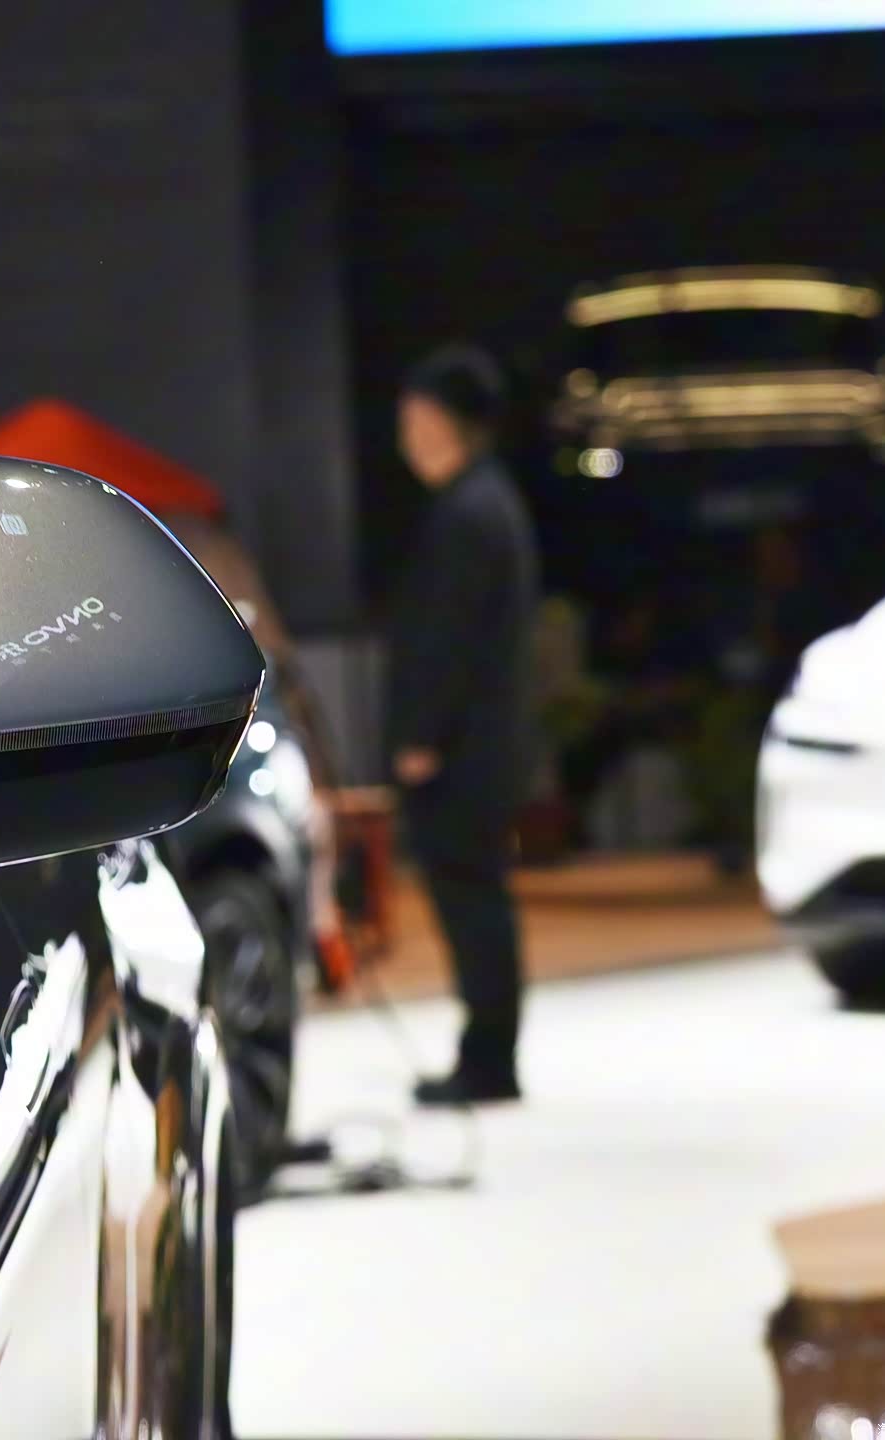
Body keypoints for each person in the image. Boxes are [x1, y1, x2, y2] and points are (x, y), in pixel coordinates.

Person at [387, 344, 539, 1105]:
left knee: (472, 900)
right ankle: (488, 1053)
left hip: (462, 750)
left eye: (419, 422)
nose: (408, 439)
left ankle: (489, 1060)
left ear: (455, 425)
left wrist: (421, 736)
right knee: (478, 897)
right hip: (481, 742)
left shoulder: (468, 512)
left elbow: (448, 640)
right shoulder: (486, 502)